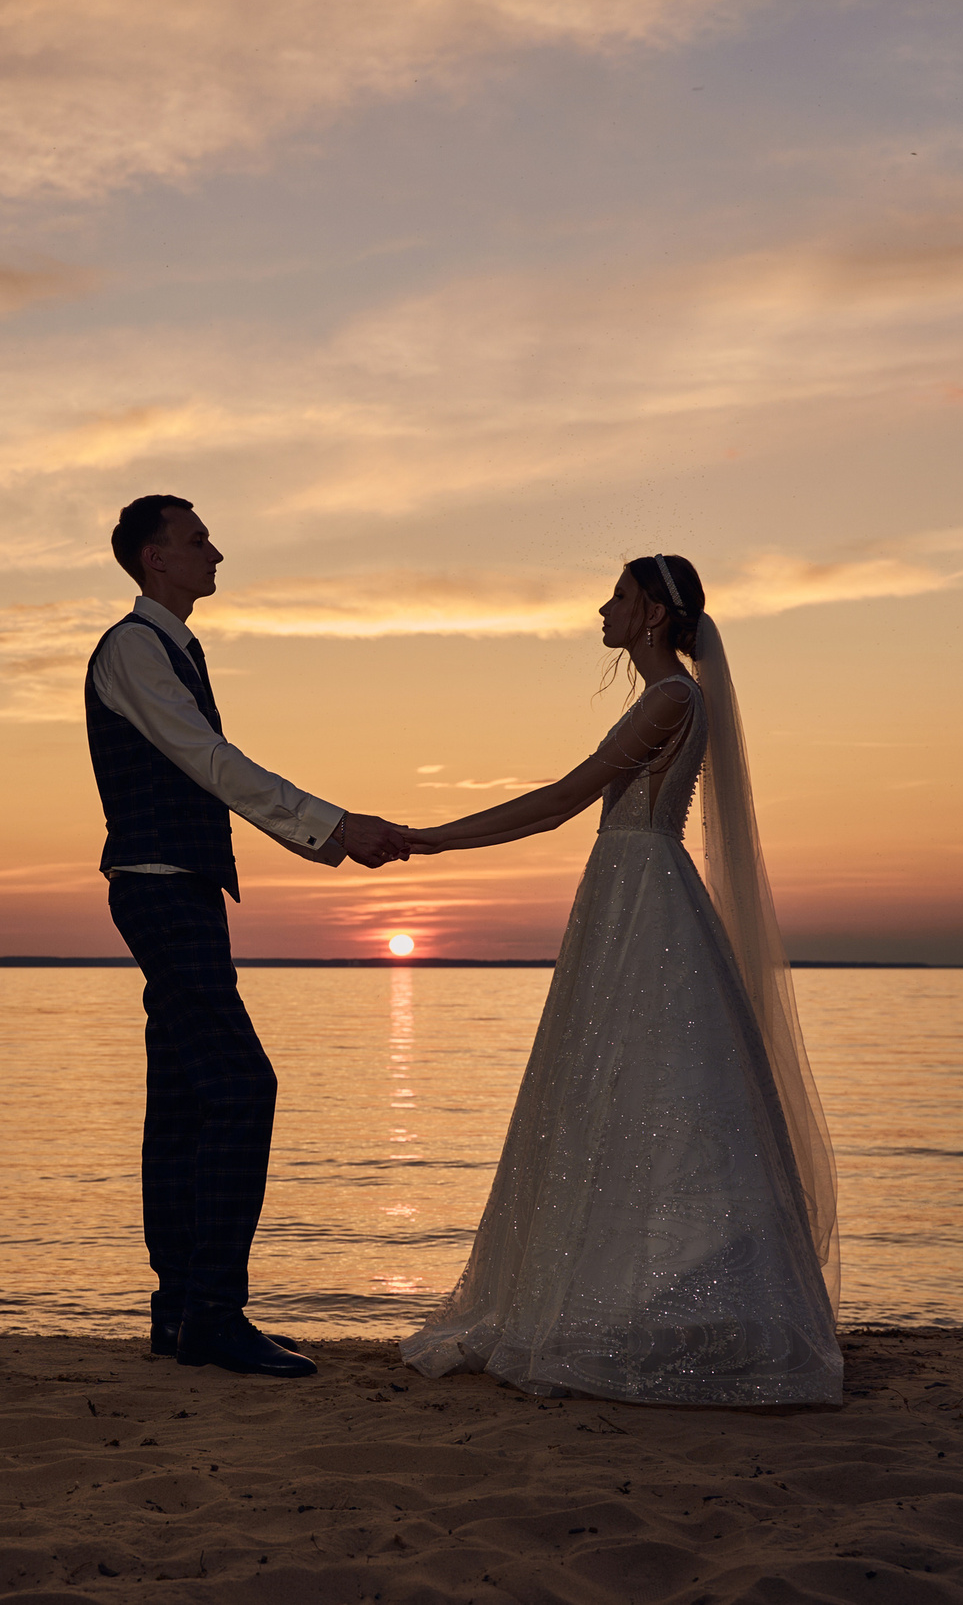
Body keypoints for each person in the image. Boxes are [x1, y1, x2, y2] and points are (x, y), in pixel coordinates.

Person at [397, 555, 842, 1406]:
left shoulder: (671, 698)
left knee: (652, 1090)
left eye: (619, 596)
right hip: (626, 892)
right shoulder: (669, 699)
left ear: (650, 614)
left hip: (642, 895)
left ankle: (649, 1301)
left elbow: (564, 800)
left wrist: (432, 839)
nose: (603, 608)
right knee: (612, 1091)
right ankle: (624, 1293)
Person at [87, 494, 412, 1379]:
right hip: (160, 889)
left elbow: (204, 762)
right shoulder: (133, 649)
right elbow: (209, 760)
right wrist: (331, 826)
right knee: (241, 1088)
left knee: (187, 1097)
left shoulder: (169, 650)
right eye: (198, 540)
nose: (216, 551)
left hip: (181, 889)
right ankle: (215, 1313)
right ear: (155, 557)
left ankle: (179, 1309)